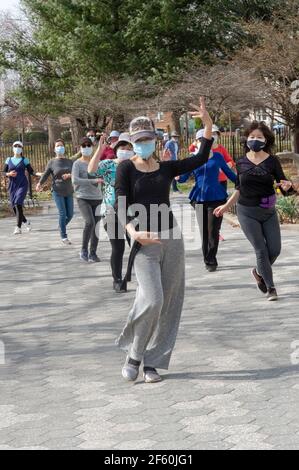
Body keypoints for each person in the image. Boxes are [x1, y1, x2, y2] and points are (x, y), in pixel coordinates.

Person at [114, 97, 213, 383]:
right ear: (132, 142)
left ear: (155, 140)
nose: (143, 142)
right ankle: (134, 353)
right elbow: (120, 204)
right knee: (152, 299)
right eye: (138, 139)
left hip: (172, 238)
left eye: (147, 138)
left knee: (169, 301)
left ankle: (152, 363)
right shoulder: (126, 168)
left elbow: (200, 158)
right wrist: (132, 231)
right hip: (144, 242)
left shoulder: (166, 168)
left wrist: (207, 125)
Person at [214, 121, 295, 301]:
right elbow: (238, 188)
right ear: (246, 139)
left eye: (259, 137)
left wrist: (287, 186)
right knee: (261, 250)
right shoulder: (241, 162)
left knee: (274, 250)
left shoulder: (273, 161)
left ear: (266, 140)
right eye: (252, 137)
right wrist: (226, 206)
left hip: (268, 211)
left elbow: (283, 185)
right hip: (247, 211)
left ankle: (258, 272)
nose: (255, 140)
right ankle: (270, 287)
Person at [177, 144, 237, 271]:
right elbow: (183, 178)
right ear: (197, 142)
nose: (204, 142)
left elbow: (229, 173)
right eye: (201, 139)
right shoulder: (193, 158)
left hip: (216, 197)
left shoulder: (217, 156)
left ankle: (211, 259)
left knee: (213, 231)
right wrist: (178, 177)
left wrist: (243, 181)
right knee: (204, 231)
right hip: (199, 198)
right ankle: (207, 259)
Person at [88, 133, 134, 293]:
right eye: (122, 147)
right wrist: (99, 150)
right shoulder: (108, 164)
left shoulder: (136, 165)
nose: (125, 150)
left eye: (129, 148)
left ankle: (140, 276)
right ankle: (117, 279)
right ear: (116, 149)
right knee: (118, 247)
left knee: (137, 246)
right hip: (111, 211)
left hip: (133, 212)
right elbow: (91, 170)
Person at [36, 139, 77, 245]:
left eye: (61, 145)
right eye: (57, 146)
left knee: (70, 214)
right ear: (54, 149)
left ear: (64, 147)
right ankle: (64, 236)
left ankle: (61, 226)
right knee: (62, 214)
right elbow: (45, 174)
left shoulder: (69, 162)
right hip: (57, 190)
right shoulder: (52, 162)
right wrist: (39, 183)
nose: (60, 147)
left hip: (69, 190)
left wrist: (70, 175)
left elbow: (76, 174)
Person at [72, 137, 103, 262]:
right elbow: (75, 180)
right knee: (89, 222)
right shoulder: (77, 164)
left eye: (88, 145)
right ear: (80, 148)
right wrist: (93, 180)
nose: (86, 148)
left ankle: (93, 253)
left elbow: (103, 177)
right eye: (83, 146)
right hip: (83, 197)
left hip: (98, 197)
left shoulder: (97, 162)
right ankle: (83, 250)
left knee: (96, 226)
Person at [3, 141, 36, 234]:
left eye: (19, 146)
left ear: (22, 148)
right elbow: (3, 172)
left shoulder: (25, 160)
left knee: (18, 204)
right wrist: (8, 174)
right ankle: (26, 222)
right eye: (15, 146)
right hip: (12, 185)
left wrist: (38, 174)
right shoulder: (8, 159)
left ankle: (18, 227)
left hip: (22, 184)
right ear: (13, 148)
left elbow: (31, 171)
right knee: (14, 207)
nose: (17, 148)